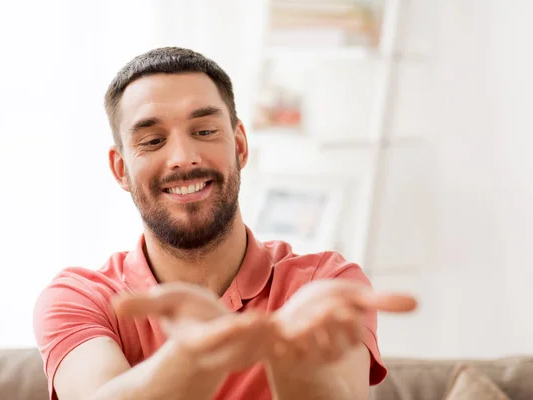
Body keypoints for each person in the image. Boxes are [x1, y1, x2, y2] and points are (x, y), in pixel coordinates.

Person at [33, 47, 417, 400]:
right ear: (121, 169)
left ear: (240, 146)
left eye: (204, 131)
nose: (183, 157)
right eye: (152, 141)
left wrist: (292, 360)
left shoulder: (325, 283)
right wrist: (194, 355)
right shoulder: (79, 298)